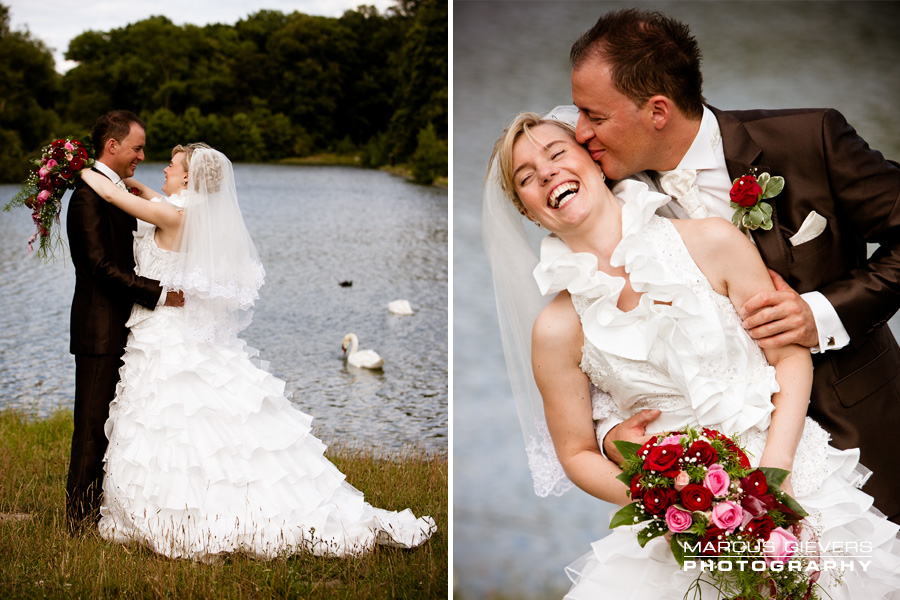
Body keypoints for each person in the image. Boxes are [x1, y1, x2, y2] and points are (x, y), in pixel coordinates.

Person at [484, 112, 900, 598]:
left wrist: (775, 476)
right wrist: (668, 505)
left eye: (557, 155)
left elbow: (788, 357)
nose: (548, 173)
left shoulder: (712, 242)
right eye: (527, 178)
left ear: (596, 164)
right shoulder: (556, 328)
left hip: (791, 470)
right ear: (530, 212)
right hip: (680, 520)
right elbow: (575, 452)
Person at [568, 8, 900, 522]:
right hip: (719, 480)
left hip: (857, 433)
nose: (579, 132)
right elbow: (597, 335)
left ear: (657, 111)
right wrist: (611, 434)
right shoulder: (602, 200)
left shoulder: (810, 140)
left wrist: (823, 315)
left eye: (594, 115)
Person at [77, 144, 435, 560]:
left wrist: (80, 169)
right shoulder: (189, 214)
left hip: (166, 333)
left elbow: (111, 197)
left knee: (172, 417)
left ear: (188, 177)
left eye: (171, 166)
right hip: (166, 327)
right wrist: (141, 186)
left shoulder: (173, 215)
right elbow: (160, 201)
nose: (163, 170)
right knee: (187, 418)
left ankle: (184, 511)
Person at [65, 110, 184, 532]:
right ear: (111, 146)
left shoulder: (115, 189)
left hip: (128, 327)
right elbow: (97, 266)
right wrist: (157, 293)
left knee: (115, 427)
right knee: (92, 428)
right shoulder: (86, 196)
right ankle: (76, 521)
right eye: (136, 147)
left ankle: (103, 508)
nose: (142, 155)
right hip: (100, 329)